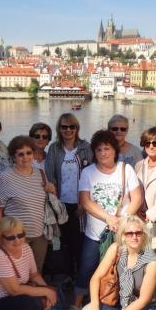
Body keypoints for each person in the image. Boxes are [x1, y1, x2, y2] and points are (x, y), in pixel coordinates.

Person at [67, 130, 143, 310]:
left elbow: (136, 198)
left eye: (107, 148)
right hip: (95, 233)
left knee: (123, 269)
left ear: (114, 150)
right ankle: (76, 304)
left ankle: (123, 306)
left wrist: (122, 220)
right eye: (99, 149)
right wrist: (108, 218)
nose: (103, 153)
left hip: (122, 233)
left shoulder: (126, 169)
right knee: (86, 268)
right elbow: (85, 201)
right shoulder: (88, 172)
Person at [81, 215, 156, 310]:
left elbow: (143, 300)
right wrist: (94, 304)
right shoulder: (116, 249)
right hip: (121, 301)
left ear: (144, 235)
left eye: (138, 233)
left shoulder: (152, 262)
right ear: (123, 236)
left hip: (144, 307)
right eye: (129, 233)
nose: (134, 237)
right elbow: (96, 278)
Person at [0, 135, 56, 272]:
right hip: (16, 236)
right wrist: (1, 234)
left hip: (40, 235)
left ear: (33, 154)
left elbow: (49, 201)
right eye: (20, 154)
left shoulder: (40, 174)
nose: (25, 157)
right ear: (13, 157)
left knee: (36, 272)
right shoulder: (5, 177)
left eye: (29, 153)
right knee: (18, 273)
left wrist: (52, 190)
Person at [45, 113, 93, 281]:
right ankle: (68, 275)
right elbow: (50, 175)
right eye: (64, 127)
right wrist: (55, 202)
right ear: (59, 129)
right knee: (63, 241)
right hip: (62, 204)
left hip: (81, 204)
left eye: (72, 126)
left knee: (80, 241)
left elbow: (90, 176)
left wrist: (84, 203)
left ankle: (81, 276)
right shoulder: (54, 149)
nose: (68, 130)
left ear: (77, 128)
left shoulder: (86, 148)